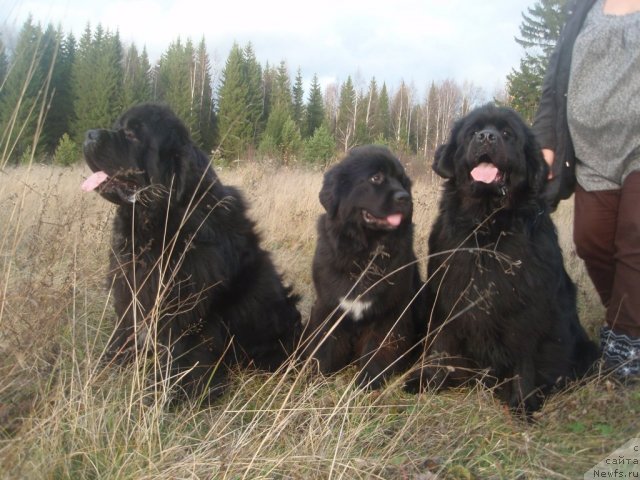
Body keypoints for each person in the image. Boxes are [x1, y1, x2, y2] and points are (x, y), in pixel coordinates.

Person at [532, 0, 640, 380]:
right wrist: (545, 143)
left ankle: (626, 342)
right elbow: (554, 86)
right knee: (591, 241)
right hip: (590, 154)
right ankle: (629, 317)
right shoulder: (582, 12)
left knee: (635, 233)